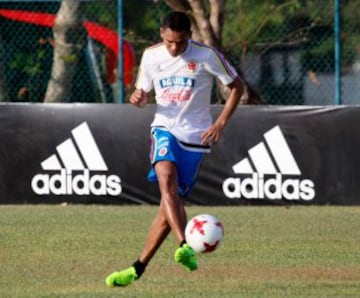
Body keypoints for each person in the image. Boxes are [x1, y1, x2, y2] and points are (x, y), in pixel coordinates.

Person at [105, 11, 245, 287]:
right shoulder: (151, 56)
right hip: (164, 128)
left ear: (189, 37)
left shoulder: (206, 56)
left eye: (180, 43)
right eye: (169, 42)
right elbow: (142, 94)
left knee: (166, 211)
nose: (174, 48)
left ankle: (137, 269)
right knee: (166, 182)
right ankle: (184, 244)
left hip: (195, 137)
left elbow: (237, 87)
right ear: (161, 33)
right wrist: (139, 97)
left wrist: (220, 123)